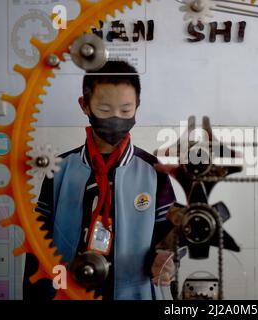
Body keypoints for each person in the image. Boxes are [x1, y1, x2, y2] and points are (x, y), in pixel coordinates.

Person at [23, 60, 176, 300]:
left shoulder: (154, 172)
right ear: (85, 105)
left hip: (133, 293)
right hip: (67, 293)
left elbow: (169, 237)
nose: (116, 118)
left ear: (137, 106)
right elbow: (37, 244)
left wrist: (165, 259)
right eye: (105, 110)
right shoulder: (59, 170)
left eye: (126, 110)